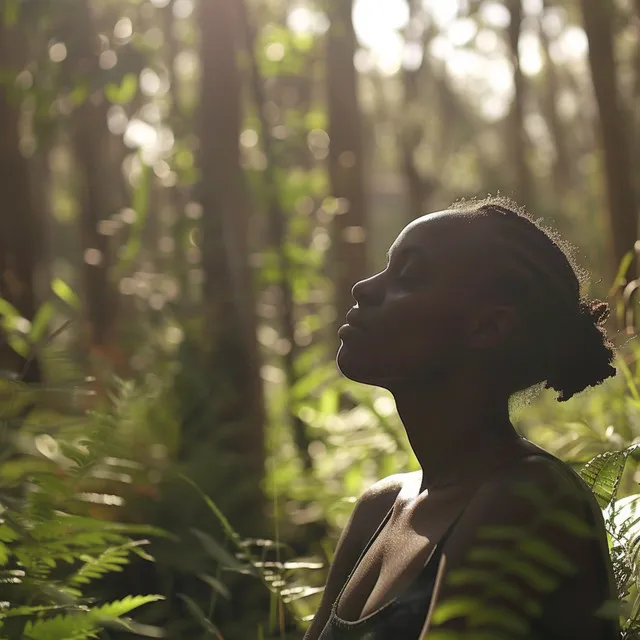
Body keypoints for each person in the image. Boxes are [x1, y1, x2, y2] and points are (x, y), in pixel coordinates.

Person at [304, 197, 619, 640]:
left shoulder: (527, 495)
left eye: (409, 275)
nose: (365, 288)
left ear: (488, 328)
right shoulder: (379, 507)